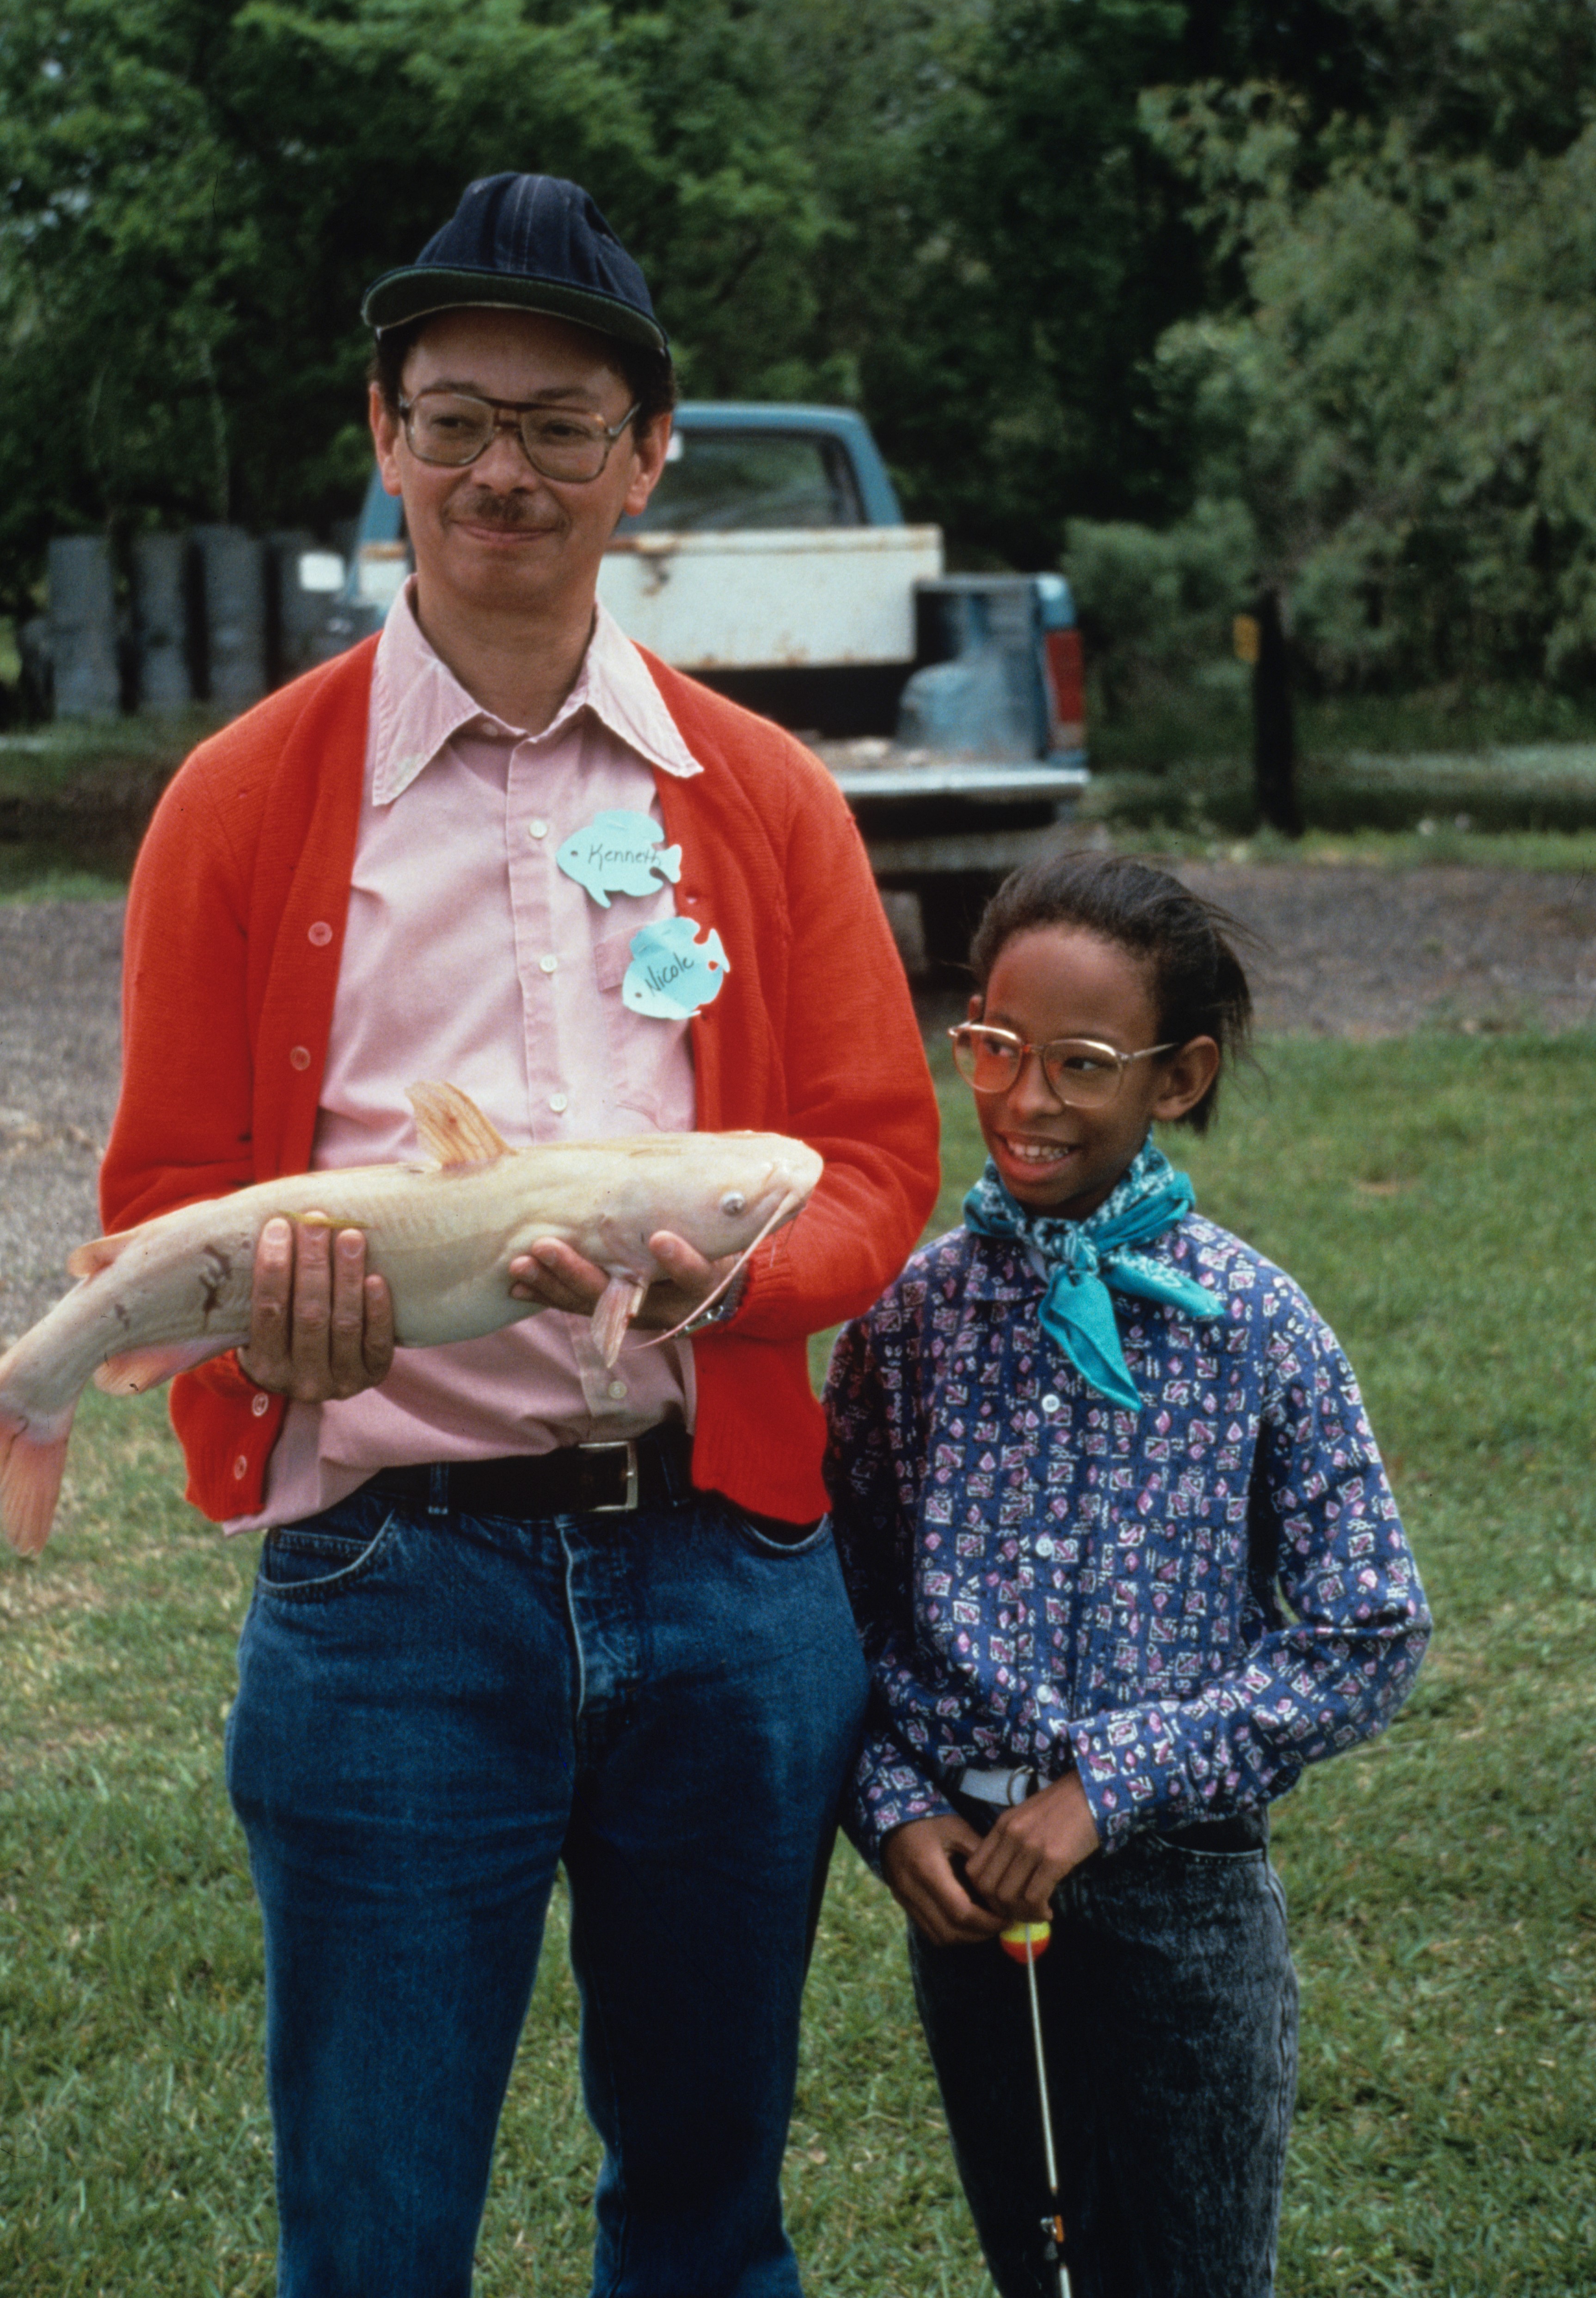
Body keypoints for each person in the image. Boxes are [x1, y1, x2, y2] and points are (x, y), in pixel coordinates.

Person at [100, 172, 939, 2298]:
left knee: (705, 2211)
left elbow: (869, 1158)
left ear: (643, 459)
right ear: (383, 436)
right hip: (390, 1592)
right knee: (375, 2229)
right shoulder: (239, 800)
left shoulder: (763, 793)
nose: (505, 471)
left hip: (726, 1580)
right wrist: (266, 1335)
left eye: (563, 425)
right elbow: (164, 1193)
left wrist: (725, 1278)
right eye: (458, 418)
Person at [823, 851, 1430, 2298]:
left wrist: (1109, 1783)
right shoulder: (908, 1323)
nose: (1025, 1099)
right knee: (1039, 2267)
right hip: (969, 1904)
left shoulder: (1255, 1324)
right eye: (995, 1046)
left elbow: (1369, 1627)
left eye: (1081, 1064)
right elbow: (835, 1606)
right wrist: (892, 1805)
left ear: (1177, 1076)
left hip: (1181, 1902)